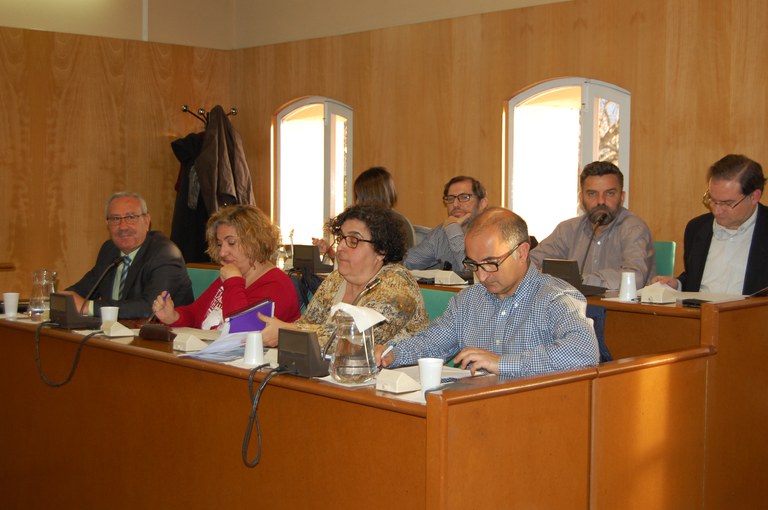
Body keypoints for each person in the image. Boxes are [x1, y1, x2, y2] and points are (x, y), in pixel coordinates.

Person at [377, 207, 599, 378]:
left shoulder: (555, 297)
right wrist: (392, 354)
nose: (481, 276)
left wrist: (501, 363)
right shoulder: (468, 300)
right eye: (473, 265)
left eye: (491, 263)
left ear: (522, 252)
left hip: (536, 412)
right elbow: (432, 343)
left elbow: (583, 352)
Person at [261, 204, 430, 349]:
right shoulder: (336, 279)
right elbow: (307, 323)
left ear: (381, 250)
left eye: (353, 240)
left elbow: (355, 340)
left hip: (396, 376)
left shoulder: (398, 284)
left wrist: (286, 331)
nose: (341, 246)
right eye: (341, 238)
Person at [151, 205, 301, 329]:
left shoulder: (277, 285)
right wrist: (173, 316)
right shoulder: (233, 273)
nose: (222, 252)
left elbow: (242, 332)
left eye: (231, 243)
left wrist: (233, 282)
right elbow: (195, 314)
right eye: (219, 244)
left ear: (255, 241)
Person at [63, 192, 193, 319]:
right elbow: (83, 290)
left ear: (146, 221)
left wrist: (89, 307)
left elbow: (151, 308)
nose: (123, 227)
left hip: (163, 331)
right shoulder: (109, 250)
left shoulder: (166, 254)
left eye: (131, 217)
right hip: (116, 330)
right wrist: (59, 300)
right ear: (107, 225)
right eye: (115, 219)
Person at [529, 161, 655, 290]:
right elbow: (528, 264)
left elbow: (634, 278)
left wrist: (579, 280)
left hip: (618, 304)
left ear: (622, 197)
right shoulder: (568, 229)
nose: (601, 201)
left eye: (610, 193)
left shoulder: (634, 228)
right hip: (571, 302)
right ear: (581, 198)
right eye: (592, 194)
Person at [653, 154, 767, 295]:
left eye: (727, 203)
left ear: (754, 196)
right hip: (702, 308)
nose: (716, 210)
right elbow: (694, 278)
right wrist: (678, 285)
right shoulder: (697, 228)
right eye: (712, 200)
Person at [313, 166, 416, 259]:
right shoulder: (371, 223)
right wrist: (330, 252)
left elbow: (362, 266)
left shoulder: (395, 225)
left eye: (359, 197)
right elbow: (355, 264)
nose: (357, 202)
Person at [403, 175, 489, 273]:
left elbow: (473, 272)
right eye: (450, 198)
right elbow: (407, 263)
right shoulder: (442, 231)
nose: (455, 204)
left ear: (482, 203)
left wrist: (453, 229)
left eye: (464, 197)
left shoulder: (491, 232)